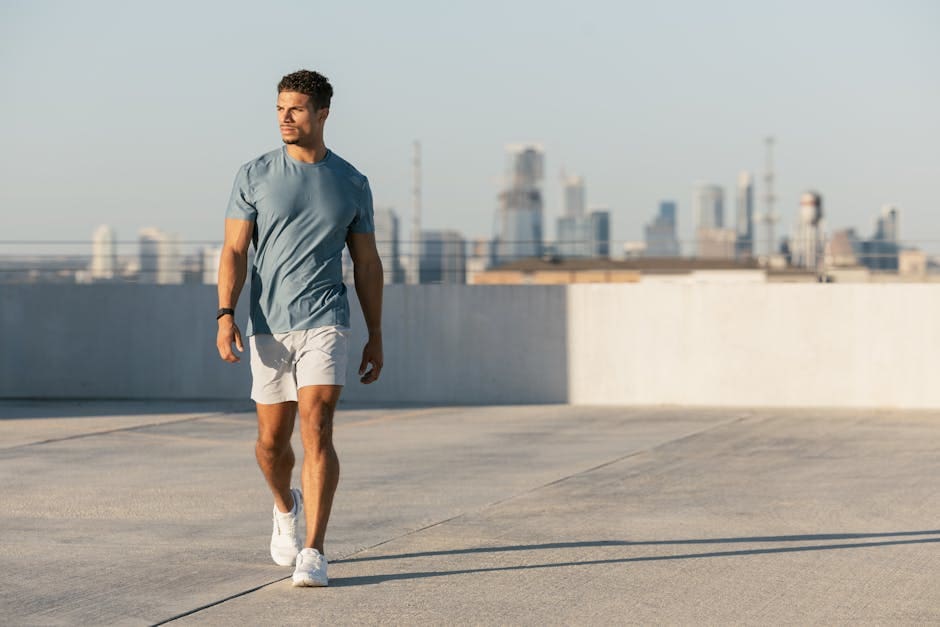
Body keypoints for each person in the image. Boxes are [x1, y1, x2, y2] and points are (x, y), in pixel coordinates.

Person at [216, 69, 384, 588]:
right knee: (271, 443)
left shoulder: (352, 182)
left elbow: (368, 263)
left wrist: (376, 332)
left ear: (322, 114)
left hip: (327, 319)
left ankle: (314, 549)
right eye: (280, 108)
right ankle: (284, 505)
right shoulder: (254, 174)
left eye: (296, 108)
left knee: (318, 425)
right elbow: (234, 251)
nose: (285, 117)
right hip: (268, 323)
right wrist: (225, 314)